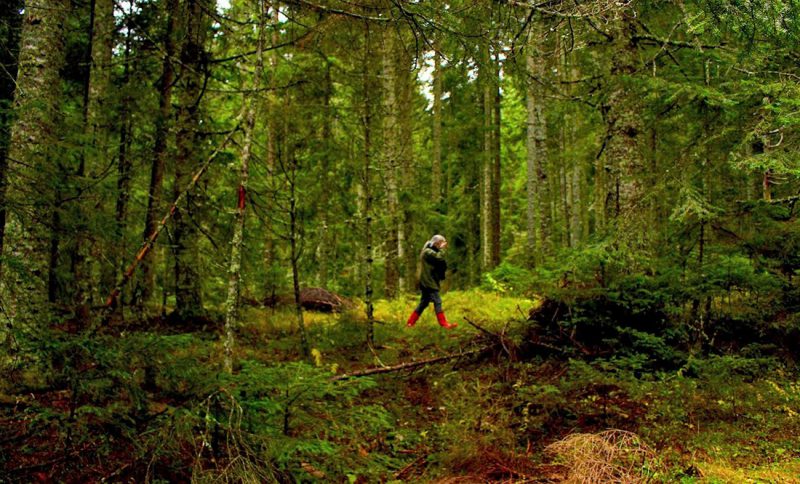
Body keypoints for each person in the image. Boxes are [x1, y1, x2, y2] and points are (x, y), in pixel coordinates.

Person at [406, 234, 457, 329]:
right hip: (428, 281)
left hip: (429, 280)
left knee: (423, 303)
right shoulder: (427, 252)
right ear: (437, 243)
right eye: (441, 243)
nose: (442, 245)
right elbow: (439, 257)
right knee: (437, 301)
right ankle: (444, 324)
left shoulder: (431, 251)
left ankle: (410, 323)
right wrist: (443, 249)